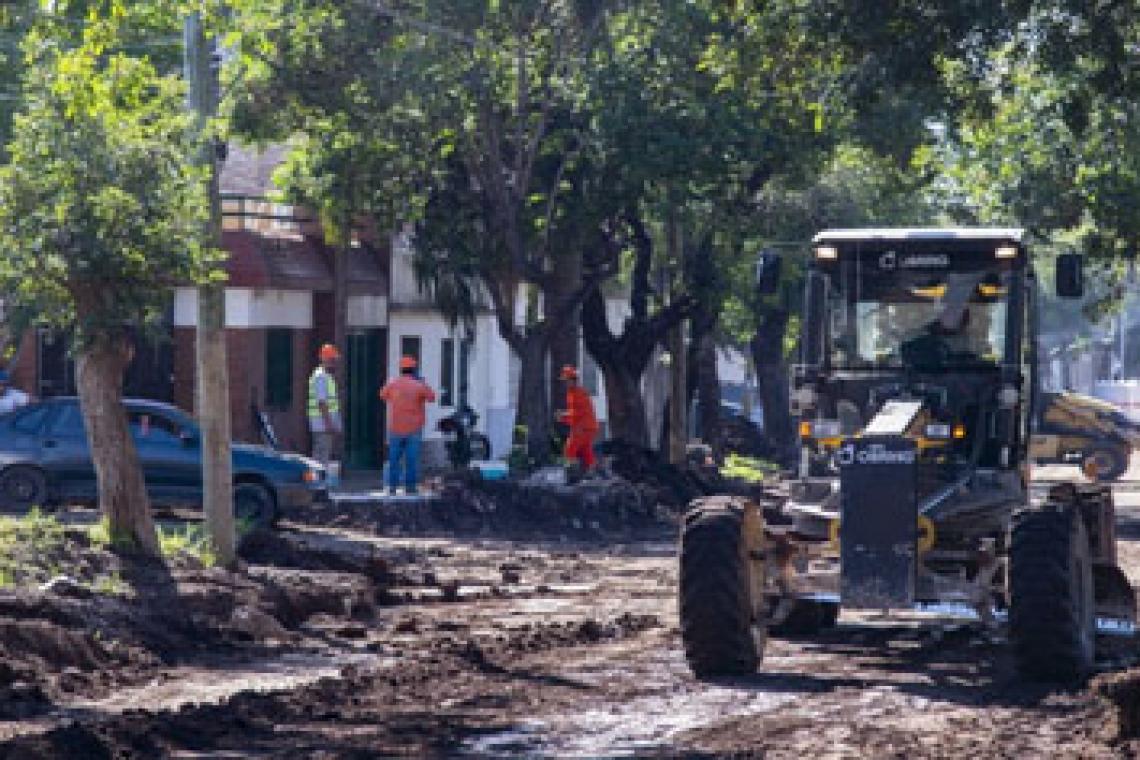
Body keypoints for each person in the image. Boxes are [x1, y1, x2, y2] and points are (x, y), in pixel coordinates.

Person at [379, 356, 436, 494]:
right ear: (414, 369)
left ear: (401, 370)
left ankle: (392, 487)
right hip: (414, 429)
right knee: (411, 460)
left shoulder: (393, 384)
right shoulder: (419, 385)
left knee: (394, 460)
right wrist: (423, 382)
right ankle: (410, 488)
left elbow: (382, 395)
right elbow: (432, 397)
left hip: (396, 428)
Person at [307, 344, 343, 469]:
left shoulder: (325, 376)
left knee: (323, 455)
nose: (334, 362)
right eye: (332, 359)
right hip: (322, 425)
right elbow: (322, 402)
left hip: (323, 424)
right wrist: (329, 424)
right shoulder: (320, 376)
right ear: (325, 359)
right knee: (320, 457)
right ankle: (318, 485)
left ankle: (320, 483)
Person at [557, 365, 599, 470]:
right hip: (587, 427)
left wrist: (563, 416)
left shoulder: (578, 393)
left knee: (570, 448)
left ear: (573, 380)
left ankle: (571, 472)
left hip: (583, 427)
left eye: (567, 380)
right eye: (565, 380)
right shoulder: (573, 393)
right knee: (586, 451)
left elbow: (577, 413)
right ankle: (593, 472)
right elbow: (575, 414)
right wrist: (564, 417)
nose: (565, 383)